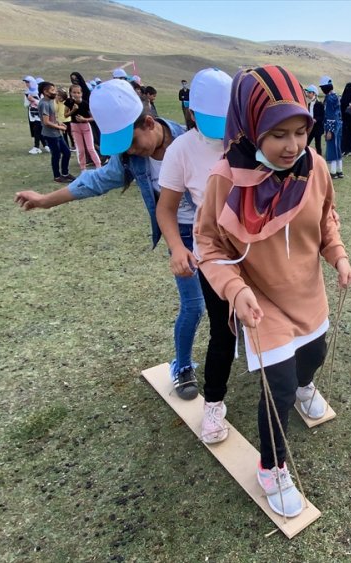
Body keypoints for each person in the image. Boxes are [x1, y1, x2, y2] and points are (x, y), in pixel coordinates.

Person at [195, 65, 351, 517]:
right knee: (278, 389)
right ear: (250, 128)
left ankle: (308, 384)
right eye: (278, 133)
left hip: (307, 291)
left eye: (300, 131)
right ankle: (272, 467)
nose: (292, 146)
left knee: (313, 359)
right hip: (260, 300)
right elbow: (207, 242)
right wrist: (233, 288)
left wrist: (339, 256)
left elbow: (326, 220)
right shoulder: (224, 180)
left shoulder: (316, 169)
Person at [13, 79, 220, 407]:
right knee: (194, 306)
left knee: (228, 300)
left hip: (216, 235)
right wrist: (45, 201)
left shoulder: (193, 139)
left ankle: (237, 349)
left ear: (149, 123)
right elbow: (95, 181)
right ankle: (182, 367)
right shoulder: (130, 158)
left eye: (132, 142)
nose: (129, 151)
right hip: (178, 236)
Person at [157, 68, 237, 441]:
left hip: (259, 245)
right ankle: (213, 407)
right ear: (191, 113)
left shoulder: (250, 138)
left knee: (275, 318)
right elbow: (166, 208)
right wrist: (177, 247)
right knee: (223, 329)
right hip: (214, 250)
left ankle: (298, 385)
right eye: (211, 120)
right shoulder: (182, 149)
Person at [37, 82, 72, 181]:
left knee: (66, 153)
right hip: (50, 134)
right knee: (56, 155)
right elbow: (46, 122)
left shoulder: (50, 102)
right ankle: (57, 176)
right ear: (45, 92)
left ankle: (65, 174)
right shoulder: (44, 103)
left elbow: (52, 118)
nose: (55, 92)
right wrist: (59, 127)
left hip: (56, 133)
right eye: (52, 90)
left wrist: (59, 123)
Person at [64, 83, 102, 171]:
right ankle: (83, 168)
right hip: (75, 127)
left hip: (85, 127)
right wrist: (73, 110)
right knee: (80, 149)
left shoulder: (85, 104)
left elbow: (93, 117)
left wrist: (85, 119)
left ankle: (98, 166)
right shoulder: (69, 102)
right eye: (74, 92)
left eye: (78, 93)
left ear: (81, 94)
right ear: (70, 93)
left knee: (90, 148)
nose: (76, 94)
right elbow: (65, 115)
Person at [319, 76, 344, 179]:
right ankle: (339, 170)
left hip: (332, 126)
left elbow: (330, 116)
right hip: (338, 125)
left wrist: (329, 130)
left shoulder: (329, 99)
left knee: (332, 148)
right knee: (337, 147)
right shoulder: (336, 96)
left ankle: (333, 172)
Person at [304, 85, 324, 156]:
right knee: (306, 142)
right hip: (311, 126)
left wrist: (316, 119)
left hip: (317, 127)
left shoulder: (320, 104)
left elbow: (322, 116)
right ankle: (305, 157)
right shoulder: (309, 104)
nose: (308, 94)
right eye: (308, 92)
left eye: (309, 92)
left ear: (314, 93)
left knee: (317, 144)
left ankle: (320, 158)